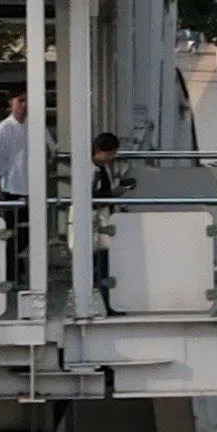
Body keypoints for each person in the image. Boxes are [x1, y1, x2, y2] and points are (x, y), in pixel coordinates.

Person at [0, 91, 54, 289]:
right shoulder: (4, 128)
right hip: (13, 186)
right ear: (11, 104)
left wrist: (49, 151)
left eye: (27, 101)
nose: (24, 105)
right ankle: (11, 273)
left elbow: (51, 148)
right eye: (20, 101)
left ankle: (21, 270)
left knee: (30, 232)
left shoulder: (36, 125)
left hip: (36, 186)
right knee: (12, 233)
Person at [91, 129, 132, 315]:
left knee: (104, 264)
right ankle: (103, 304)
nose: (111, 158)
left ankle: (107, 303)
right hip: (96, 220)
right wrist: (111, 194)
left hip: (103, 217)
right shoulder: (93, 170)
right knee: (100, 264)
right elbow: (89, 195)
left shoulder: (101, 168)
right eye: (109, 154)